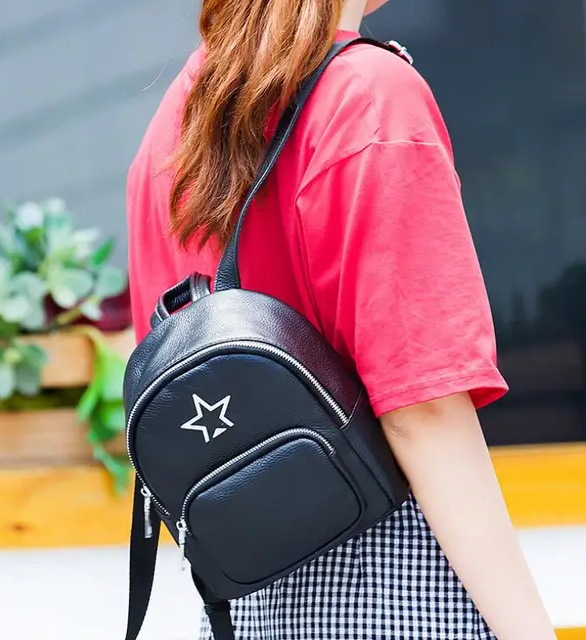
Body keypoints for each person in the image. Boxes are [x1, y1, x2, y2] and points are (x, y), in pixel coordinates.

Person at [126, 0, 557, 638]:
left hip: (244, 606)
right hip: (396, 587)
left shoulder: (182, 114)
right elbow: (423, 413)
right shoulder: (369, 95)